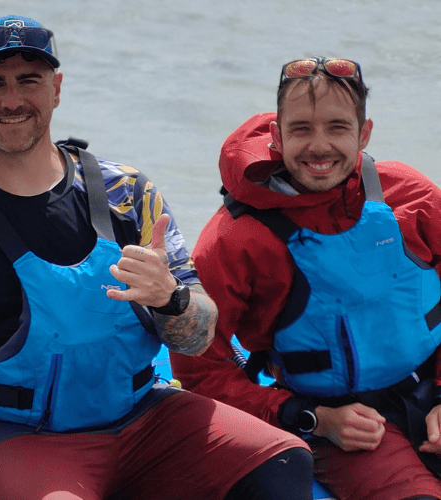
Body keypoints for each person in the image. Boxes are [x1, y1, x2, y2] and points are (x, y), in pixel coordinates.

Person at [0, 15, 315, 500]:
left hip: (142, 418)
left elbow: (199, 335)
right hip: (14, 434)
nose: (13, 100)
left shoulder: (129, 193)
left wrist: (172, 299)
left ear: (56, 89)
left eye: (30, 81)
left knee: (285, 460)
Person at [170, 56, 441, 500]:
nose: (319, 147)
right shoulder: (235, 238)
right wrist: (310, 416)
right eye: (301, 130)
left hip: (430, 390)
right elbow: (199, 372)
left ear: (364, 132)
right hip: (336, 424)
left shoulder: (410, 195)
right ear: (276, 135)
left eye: (337, 127)